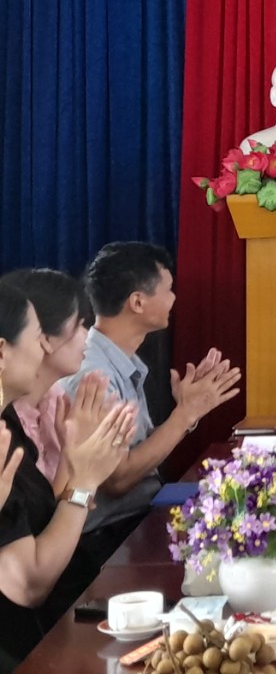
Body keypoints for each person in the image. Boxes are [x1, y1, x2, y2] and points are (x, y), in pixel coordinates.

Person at [62, 242, 242, 560]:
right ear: (138, 302)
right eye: (168, 289)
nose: (174, 299)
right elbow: (119, 479)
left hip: (136, 521)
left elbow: (138, 452)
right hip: (110, 541)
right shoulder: (94, 375)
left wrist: (187, 414)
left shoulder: (118, 360)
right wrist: (183, 416)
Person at [0, 280, 136, 672]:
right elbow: (29, 584)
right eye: (37, 338)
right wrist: (84, 482)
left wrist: (74, 462)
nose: (43, 350)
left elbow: (40, 520)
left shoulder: (9, 423)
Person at [1, 269, 97, 483]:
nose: (87, 335)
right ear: (45, 338)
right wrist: (81, 465)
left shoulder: (55, 400)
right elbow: (47, 504)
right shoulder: (8, 424)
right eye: (79, 325)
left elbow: (48, 499)